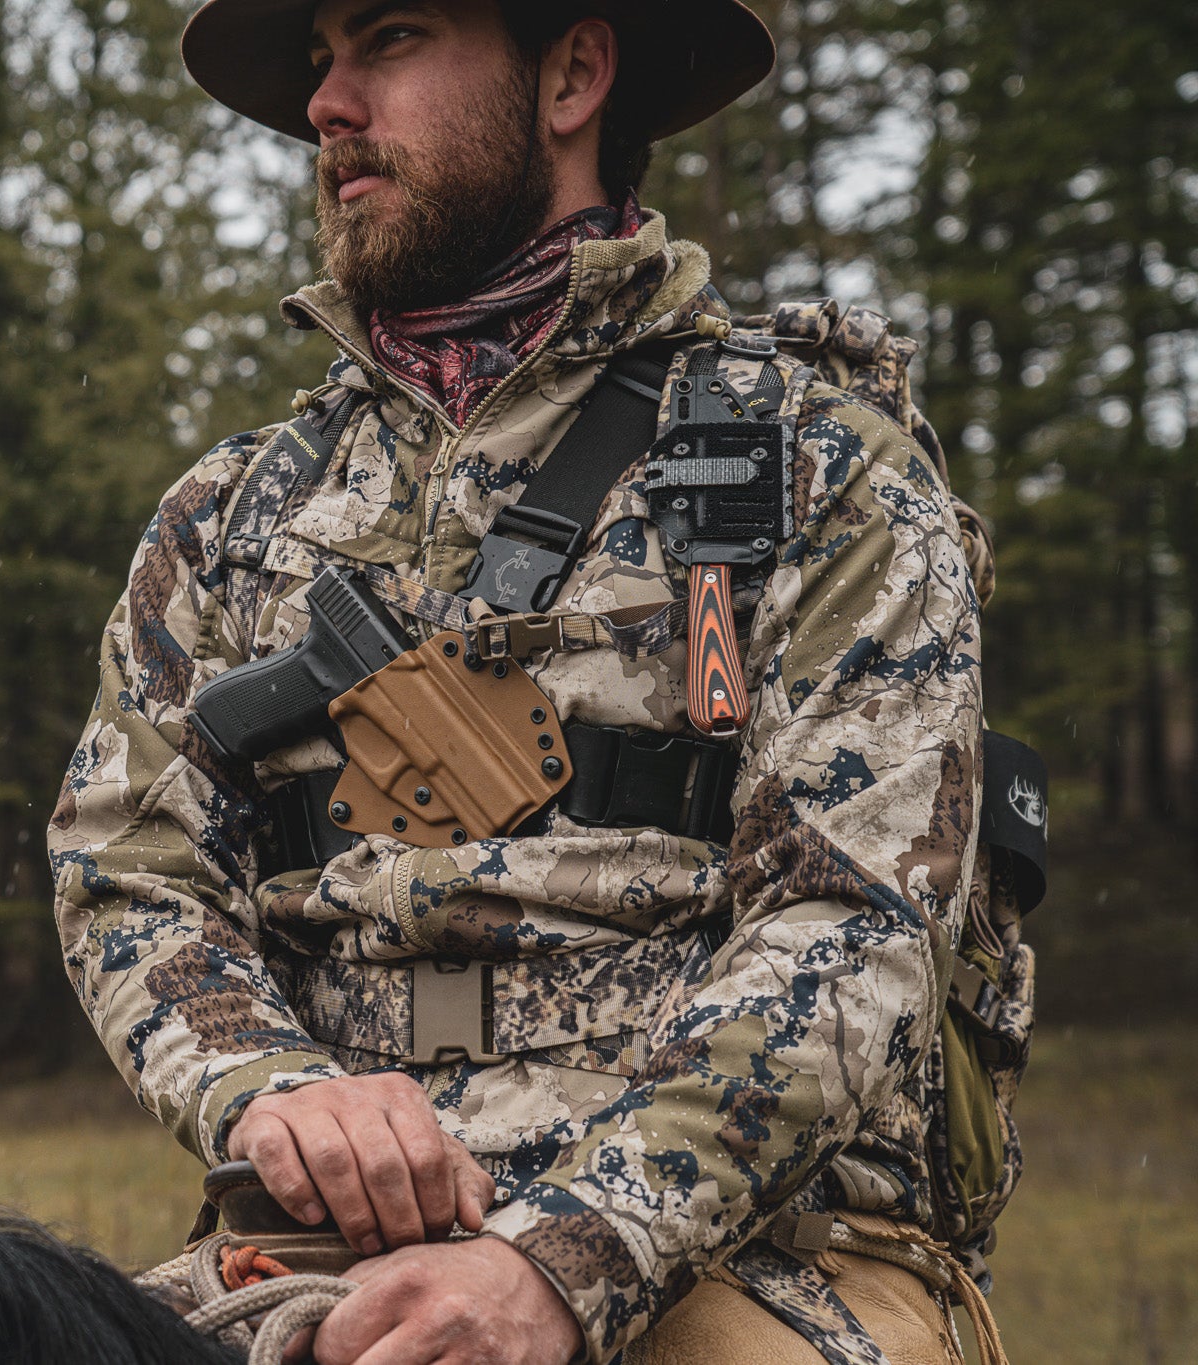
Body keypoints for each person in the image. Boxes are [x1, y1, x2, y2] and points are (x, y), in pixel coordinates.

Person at [49, 1, 990, 1360]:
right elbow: (127, 868)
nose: (328, 103)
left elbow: (854, 924)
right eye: (320, 60)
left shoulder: (816, 467)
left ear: (571, 73)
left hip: (749, 1253)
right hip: (319, 1247)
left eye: (388, 37)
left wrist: (562, 1259)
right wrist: (272, 1087)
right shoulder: (234, 512)